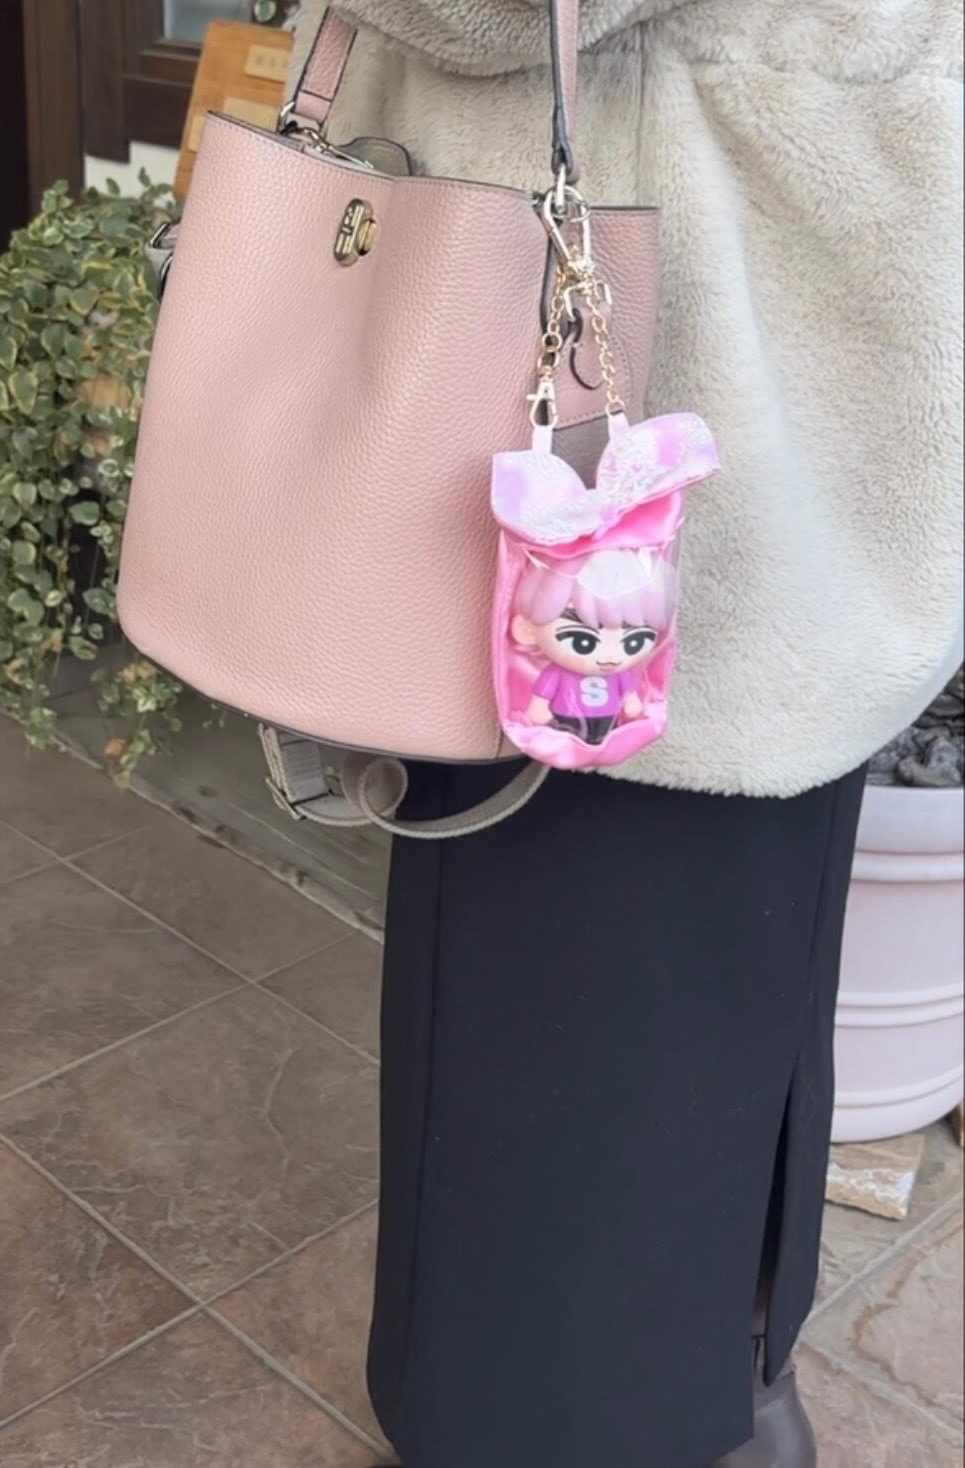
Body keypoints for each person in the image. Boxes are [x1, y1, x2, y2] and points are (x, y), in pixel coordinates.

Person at [289, 1, 963, 1465]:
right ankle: (725, 1381)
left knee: (557, 999)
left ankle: (568, 1417)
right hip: (798, 387)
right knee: (732, 978)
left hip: (612, 395)